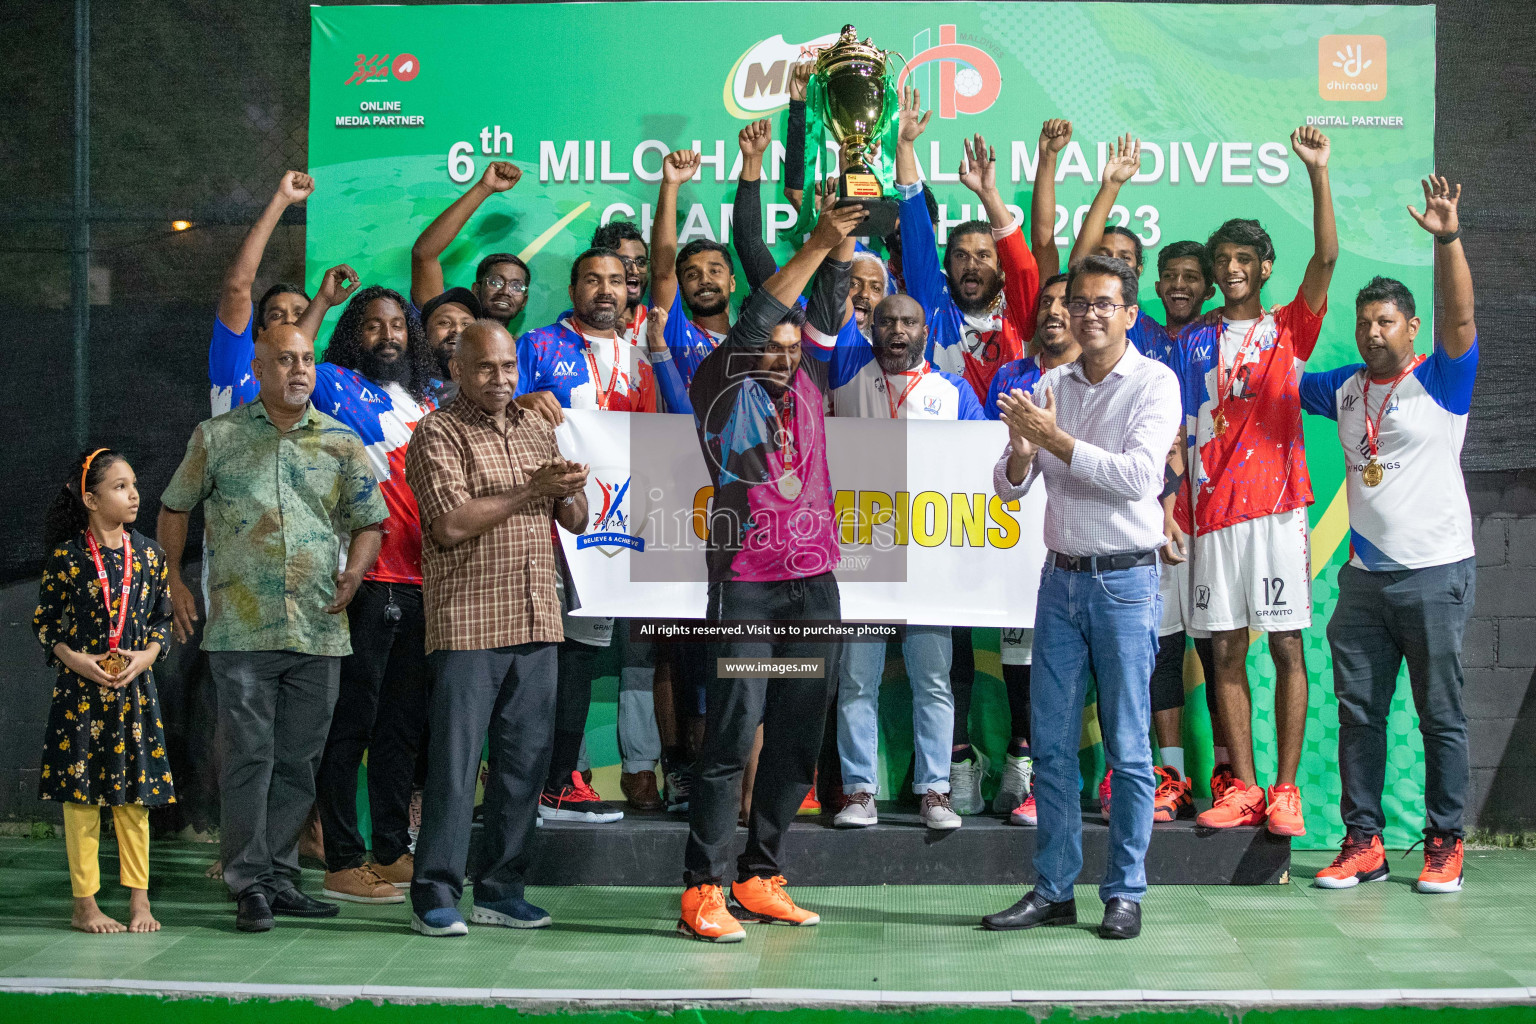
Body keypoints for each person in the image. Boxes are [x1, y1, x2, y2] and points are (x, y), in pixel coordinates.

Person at [676, 200, 866, 943]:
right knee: (732, 734)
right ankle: (702, 886)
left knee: (795, 734)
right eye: (772, 345)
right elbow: (761, 317)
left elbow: (822, 304)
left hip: (814, 584)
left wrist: (841, 248)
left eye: (794, 347)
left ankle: (760, 874)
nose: (782, 355)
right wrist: (818, 241)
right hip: (748, 586)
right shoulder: (721, 383)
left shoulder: (809, 379)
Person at [159, 323, 386, 933]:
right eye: (285, 360)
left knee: (298, 760)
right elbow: (175, 507)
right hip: (242, 632)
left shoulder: (342, 441)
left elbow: (371, 520)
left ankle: (281, 878)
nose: (300, 370)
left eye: (307, 360)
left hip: (319, 628)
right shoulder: (218, 437)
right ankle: (248, 882)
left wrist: (358, 572)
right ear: (257, 369)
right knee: (249, 759)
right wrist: (177, 583)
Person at [984, 254, 1182, 941]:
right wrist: (1018, 449)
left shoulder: (1155, 384)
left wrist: (1054, 441)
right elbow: (1009, 488)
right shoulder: (1050, 383)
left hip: (1127, 583)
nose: (1089, 314)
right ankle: (1054, 889)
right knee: (1052, 747)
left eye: (1105, 304)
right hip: (1059, 578)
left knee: (1129, 749)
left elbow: (1135, 479)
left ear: (1131, 313)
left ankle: (1124, 891)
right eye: (1079, 304)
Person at [1302, 177, 1478, 894]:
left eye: (1387, 322)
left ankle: (1445, 842)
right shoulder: (1343, 387)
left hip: (1436, 574)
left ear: (1410, 330)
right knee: (1359, 716)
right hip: (1364, 581)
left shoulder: (1442, 381)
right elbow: (1279, 374)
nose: (1373, 331)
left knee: (1441, 715)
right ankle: (1363, 843)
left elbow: (1459, 316)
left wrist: (1446, 238)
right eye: (1365, 321)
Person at [403, 319, 590, 937]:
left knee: (524, 765)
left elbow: (578, 523)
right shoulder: (436, 432)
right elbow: (449, 525)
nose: (501, 378)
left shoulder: (538, 425)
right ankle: (435, 893)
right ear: (456, 370)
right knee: (454, 767)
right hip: (468, 623)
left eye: (509, 367)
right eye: (486, 367)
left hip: (539, 615)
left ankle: (502, 888)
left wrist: (568, 492)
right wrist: (529, 488)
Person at [1179, 126, 1337, 836]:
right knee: (1225, 649)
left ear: (1265, 266)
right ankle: (1241, 786)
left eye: (1245, 258)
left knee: (1285, 645)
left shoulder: (1288, 329)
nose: (1233, 267)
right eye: (1224, 259)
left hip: (1276, 512)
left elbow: (1327, 255)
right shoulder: (1192, 338)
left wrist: (1317, 172)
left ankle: (1286, 789)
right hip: (1213, 514)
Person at [1070, 142, 1221, 821]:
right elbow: (1083, 268)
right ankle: (1165, 776)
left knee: (1217, 646)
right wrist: (1109, 187)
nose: (1180, 284)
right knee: (1153, 648)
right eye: (1169, 274)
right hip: (1147, 511)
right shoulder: (1141, 338)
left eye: (1195, 275)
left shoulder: (1224, 336)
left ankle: (1228, 777)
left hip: (1220, 511)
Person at [827, 292, 983, 832]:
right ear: (871, 327)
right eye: (886, 320)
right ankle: (859, 791)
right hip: (861, 557)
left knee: (933, 680)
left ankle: (935, 791)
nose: (897, 330)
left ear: (926, 329)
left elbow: (978, 466)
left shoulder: (953, 391)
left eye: (909, 322)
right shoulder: (845, 381)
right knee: (856, 679)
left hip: (929, 560)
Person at [517, 247, 656, 822]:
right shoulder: (539, 346)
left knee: (580, 662)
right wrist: (526, 400)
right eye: (593, 280)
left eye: (617, 281)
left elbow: (651, 442)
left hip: (609, 537)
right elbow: (500, 414)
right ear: (573, 289)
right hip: (543, 533)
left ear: (630, 291)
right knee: (534, 662)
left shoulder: (642, 358)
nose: (606, 290)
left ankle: (558, 784)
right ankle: (523, 785)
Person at [35, 449, 174, 934]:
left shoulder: (151, 554)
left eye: (133, 483)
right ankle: (85, 904)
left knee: (134, 800)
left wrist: (147, 656)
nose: (133, 494)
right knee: (82, 800)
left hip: (135, 694)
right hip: (80, 696)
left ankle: (140, 901)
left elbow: (162, 620)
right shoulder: (67, 559)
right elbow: (47, 625)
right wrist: (79, 661)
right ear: (91, 499)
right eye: (119, 486)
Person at [980, 273, 1075, 825]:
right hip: (1013, 540)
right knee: (1021, 658)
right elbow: (990, 456)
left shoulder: (1100, 379)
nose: (1055, 312)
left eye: (1068, 302)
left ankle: (1068, 778)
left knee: (1075, 669)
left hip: (1078, 543)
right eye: (1046, 302)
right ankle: (1026, 759)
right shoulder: (1011, 376)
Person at [210, 171, 314, 415]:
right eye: (277, 315)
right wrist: (281, 199)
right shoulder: (237, 367)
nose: (290, 319)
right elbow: (237, 287)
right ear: (261, 333)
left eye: (299, 313)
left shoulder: (319, 380)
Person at [650, 149, 736, 390]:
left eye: (715, 270)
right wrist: (671, 184)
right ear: (680, 287)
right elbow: (662, 271)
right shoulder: (677, 332)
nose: (704, 280)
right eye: (691, 275)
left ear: (732, 282)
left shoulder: (750, 339)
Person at [411, 160, 532, 328]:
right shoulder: (448, 330)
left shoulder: (527, 349)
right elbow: (424, 254)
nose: (505, 291)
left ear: (524, 301)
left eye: (517, 286)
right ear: (476, 290)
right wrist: (485, 187)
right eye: (495, 282)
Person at [591, 219, 652, 343]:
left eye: (641, 262)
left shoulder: (656, 324)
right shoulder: (580, 323)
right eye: (624, 262)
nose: (635, 271)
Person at [420, 286, 483, 396]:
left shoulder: (488, 392)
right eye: (445, 323)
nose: (457, 330)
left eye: (466, 324)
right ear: (424, 332)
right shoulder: (407, 387)